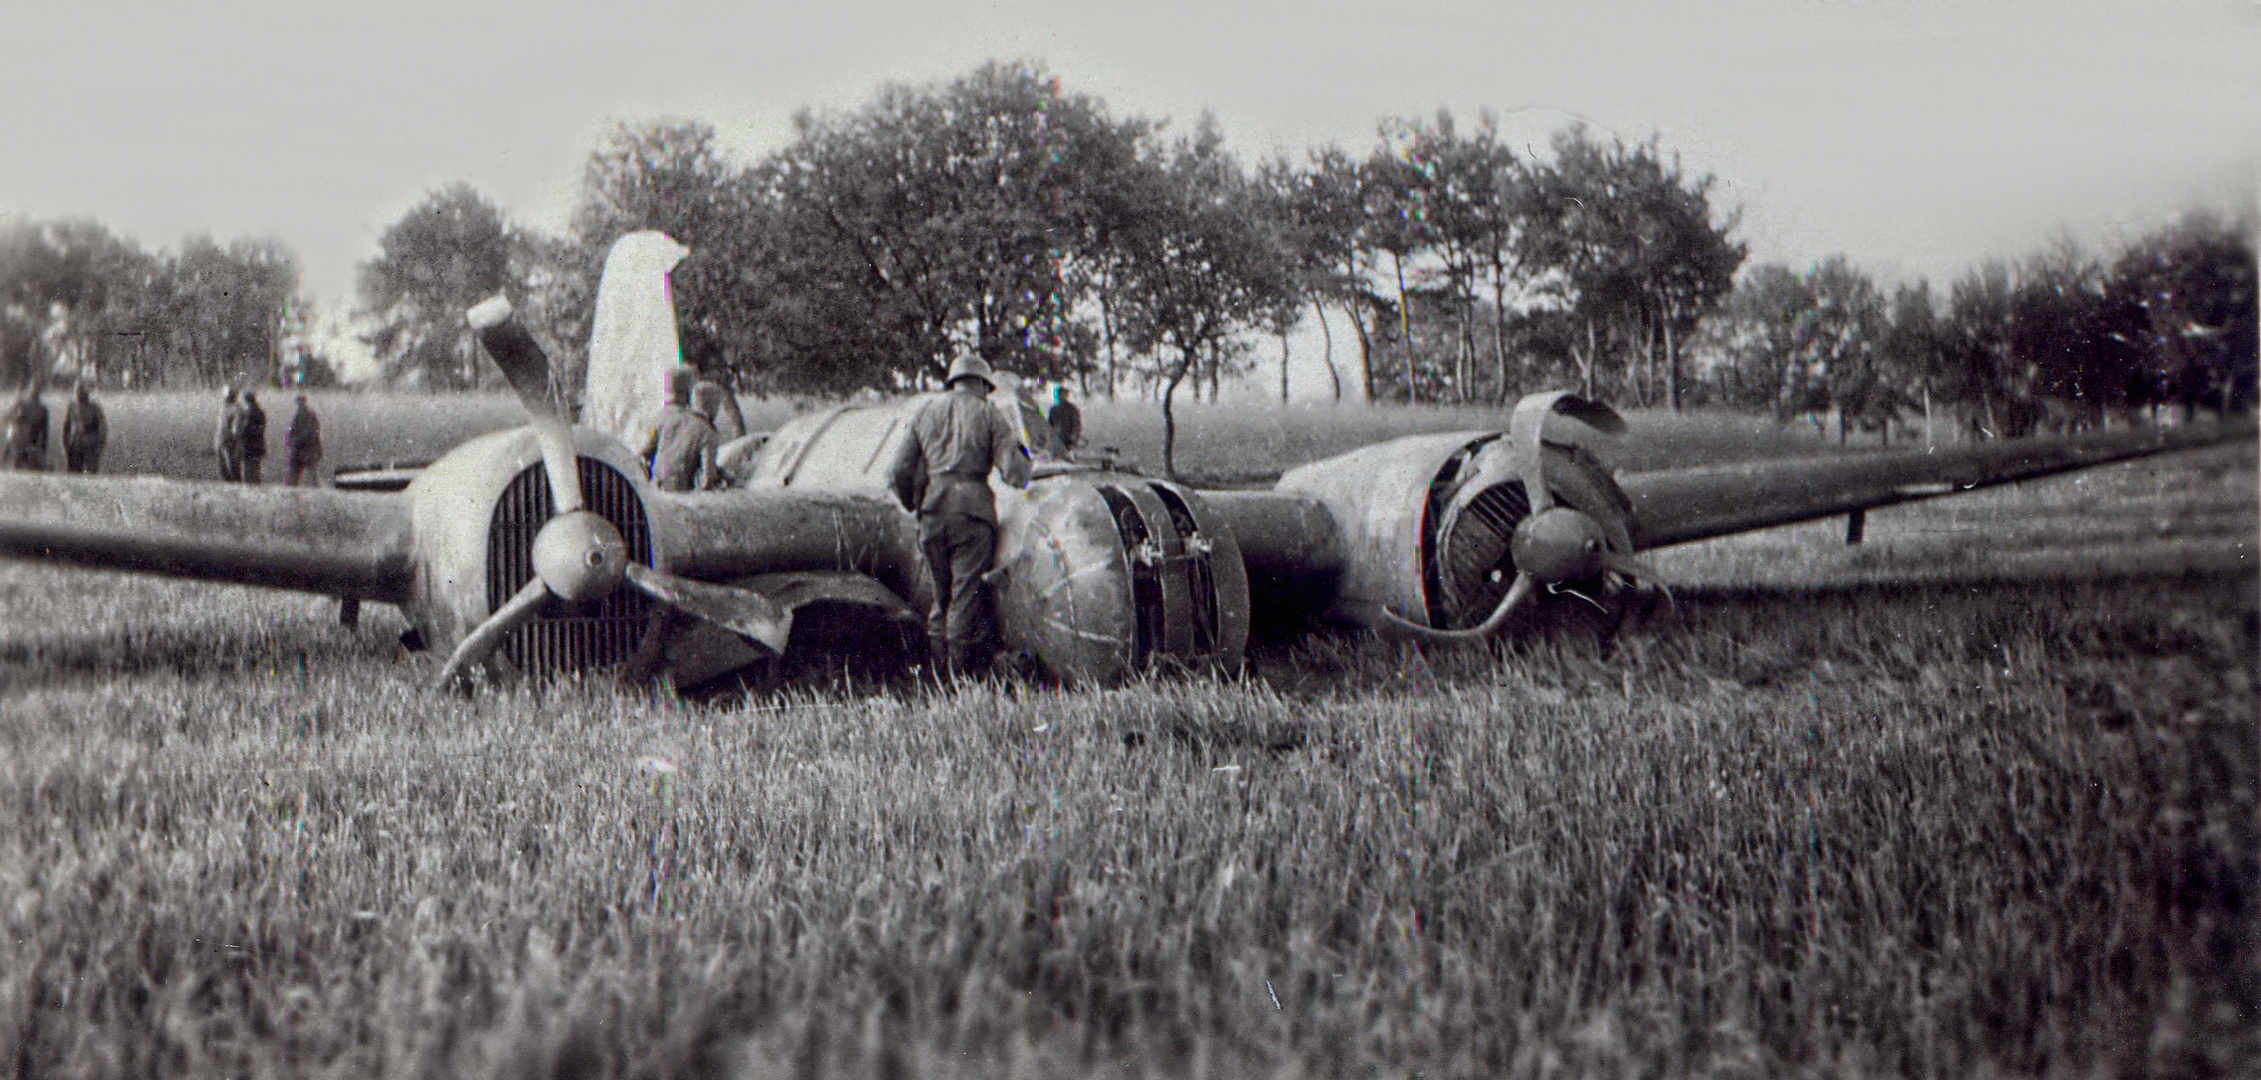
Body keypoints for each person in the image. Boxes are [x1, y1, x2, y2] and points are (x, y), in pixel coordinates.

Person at [888, 355, 1031, 676]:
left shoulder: (926, 412)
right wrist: (1022, 457)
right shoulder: (989, 413)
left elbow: (898, 469)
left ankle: (938, 676)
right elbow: (1014, 473)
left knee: (941, 599)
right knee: (964, 598)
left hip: (931, 515)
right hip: (972, 514)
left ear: (953, 382)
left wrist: (915, 504)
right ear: (982, 384)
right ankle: (956, 680)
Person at [640, 367, 720, 492]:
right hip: (682, 495)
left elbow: (643, 455)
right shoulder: (705, 428)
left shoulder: (658, 418)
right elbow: (707, 480)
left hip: (655, 491)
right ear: (689, 393)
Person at [61, 380, 105, 474]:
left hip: (90, 444)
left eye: (81, 391)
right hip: (75, 444)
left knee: (91, 473)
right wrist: (66, 444)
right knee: (73, 473)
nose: (79, 394)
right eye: (77, 391)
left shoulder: (94, 408)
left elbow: (102, 429)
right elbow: (66, 427)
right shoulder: (72, 407)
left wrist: (99, 446)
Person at [6, 384, 49, 471]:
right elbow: (7, 417)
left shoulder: (42, 409)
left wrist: (43, 449)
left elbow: (44, 431)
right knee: (18, 464)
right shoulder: (21, 404)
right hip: (20, 440)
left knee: (30, 467)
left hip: (32, 442)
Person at [285, 392, 323, 486]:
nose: (298, 404)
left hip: (307, 448)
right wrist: (290, 440)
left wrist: (295, 441)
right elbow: (292, 430)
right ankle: (291, 488)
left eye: (299, 402)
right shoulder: (298, 414)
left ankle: (315, 489)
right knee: (294, 473)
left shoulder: (310, 415)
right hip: (300, 448)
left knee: (311, 473)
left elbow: (311, 432)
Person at [236, 390, 267, 484]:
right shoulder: (261, 412)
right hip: (259, 445)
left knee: (247, 471)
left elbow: (245, 430)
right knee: (256, 470)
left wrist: (238, 433)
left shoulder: (248, 413)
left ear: (246, 400)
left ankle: (249, 492)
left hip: (248, 446)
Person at [214, 387, 242, 481]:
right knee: (226, 464)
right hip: (224, 438)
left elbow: (234, 427)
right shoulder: (231, 408)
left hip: (226, 438)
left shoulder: (231, 409)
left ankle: (233, 482)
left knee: (229, 464)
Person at [1047, 384, 1083, 453]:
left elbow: (1076, 424)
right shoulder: (1053, 409)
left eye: (1063, 395)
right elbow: (1049, 425)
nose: (1061, 397)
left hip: (1068, 438)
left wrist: (1074, 435)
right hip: (1056, 438)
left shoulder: (1072, 409)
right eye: (1059, 395)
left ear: (1066, 396)